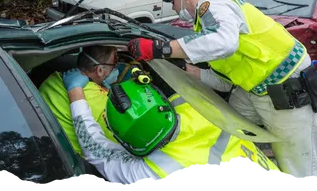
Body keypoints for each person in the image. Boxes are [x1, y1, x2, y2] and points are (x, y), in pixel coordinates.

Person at [127, 0, 317, 180]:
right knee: (227, 124)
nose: (174, 8)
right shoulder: (207, 27)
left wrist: (162, 49)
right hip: (257, 91)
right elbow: (224, 83)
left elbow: (224, 42)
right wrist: (185, 67)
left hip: (288, 92)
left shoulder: (213, 3)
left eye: (172, 0)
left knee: (298, 168)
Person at [62, 65, 282, 186]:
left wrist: (74, 91)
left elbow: (94, 147)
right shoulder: (195, 106)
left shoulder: (151, 175)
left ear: (126, 143)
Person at [39, 45, 120, 156]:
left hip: (47, 144)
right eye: (113, 65)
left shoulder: (51, 80)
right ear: (100, 70)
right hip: (77, 159)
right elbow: (113, 147)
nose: (115, 69)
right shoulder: (106, 105)